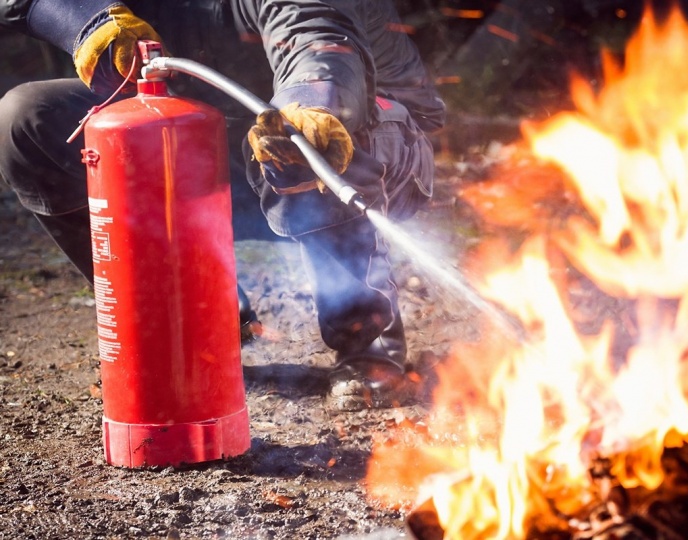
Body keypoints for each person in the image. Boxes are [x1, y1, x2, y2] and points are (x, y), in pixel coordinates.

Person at [0, 0, 445, 411]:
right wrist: (82, 16)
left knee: (304, 132)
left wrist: (309, 101)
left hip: (368, 127)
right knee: (27, 118)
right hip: (205, 136)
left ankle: (365, 342)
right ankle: (196, 321)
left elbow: (316, 33)